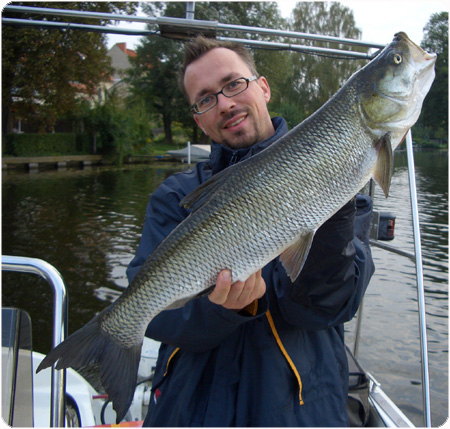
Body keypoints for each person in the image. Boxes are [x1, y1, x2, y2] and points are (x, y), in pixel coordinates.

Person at [126, 35, 375, 427]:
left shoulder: (345, 178)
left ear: (263, 87)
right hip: (191, 412)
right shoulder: (174, 198)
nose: (224, 103)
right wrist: (224, 308)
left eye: (233, 84)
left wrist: (330, 198)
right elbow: (154, 316)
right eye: (206, 98)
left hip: (300, 412)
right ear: (198, 119)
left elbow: (330, 306)